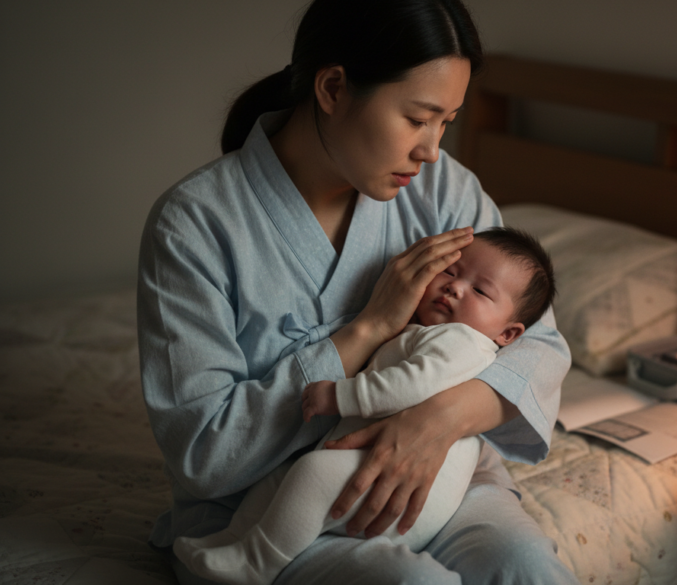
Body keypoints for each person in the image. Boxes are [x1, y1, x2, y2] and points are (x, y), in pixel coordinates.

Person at [137, 0, 579, 583]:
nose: (430, 149)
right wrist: (367, 329)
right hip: (271, 509)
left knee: (526, 566)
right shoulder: (196, 224)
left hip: (442, 472)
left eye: (446, 122)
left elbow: (538, 345)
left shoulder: (445, 190)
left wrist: (435, 423)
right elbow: (203, 453)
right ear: (333, 87)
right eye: (418, 118)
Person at [172, 228, 556, 585]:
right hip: (374, 466)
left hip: (407, 491)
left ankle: (257, 562)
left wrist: (342, 394)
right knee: (282, 480)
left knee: (311, 473)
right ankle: (234, 540)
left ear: (508, 334)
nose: (455, 287)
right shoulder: (432, 332)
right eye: (450, 271)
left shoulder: (462, 342)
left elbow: (411, 385)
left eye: (481, 292)